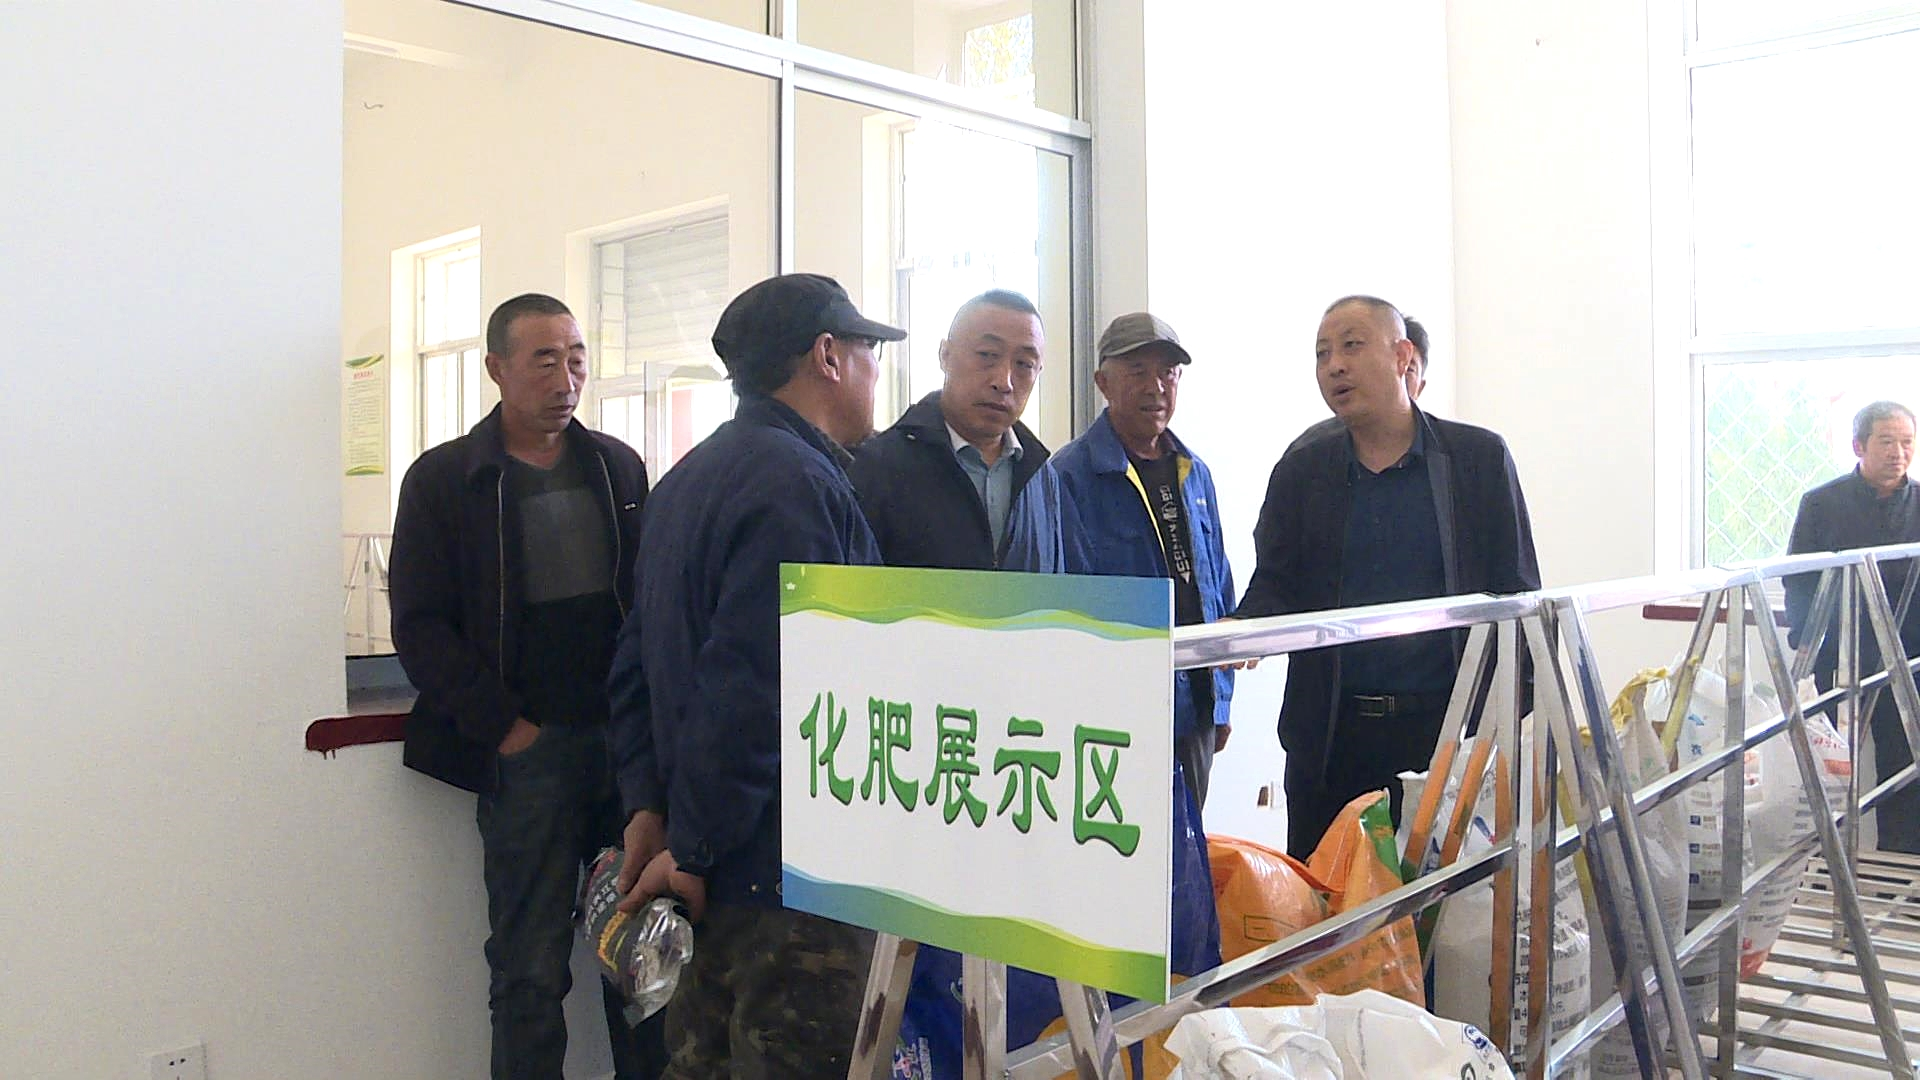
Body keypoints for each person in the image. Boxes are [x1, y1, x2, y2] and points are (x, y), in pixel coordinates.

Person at [605, 273, 903, 1076]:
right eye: (869, 351)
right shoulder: (798, 487)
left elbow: (633, 662)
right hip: (785, 884)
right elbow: (758, 685)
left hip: (703, 867)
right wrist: (696, 848)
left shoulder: (687, 479)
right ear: (828, 356)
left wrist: (650, 810)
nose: (877, 371)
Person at [389, 293, 661, 1080]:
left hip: (624, 754)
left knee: (644, 961)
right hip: (529, 756)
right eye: (544, 360)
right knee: (529, 970)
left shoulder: (617, 467)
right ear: (496, 368)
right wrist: (506, 729)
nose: (565, 378)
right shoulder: (449, 480)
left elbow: (649, 605)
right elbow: (420, 626)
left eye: (576, 359)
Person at [1235, 296, 1540, 859]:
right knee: (1329, 901)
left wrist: (1517, 726)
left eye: (1351, 346)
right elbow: (1276, 579)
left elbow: (1517, 595)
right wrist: (1243, 631)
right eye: (1322, 353)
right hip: (1333, 738)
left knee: (1447, 900)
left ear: (1403, 357)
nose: (1334, 366)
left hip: (1446, 732)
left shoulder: (1476, 460)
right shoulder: (1303, 468)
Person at [1054, 312, 1237, 808]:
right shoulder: (1069, 476)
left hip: (1195, 709)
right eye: (1137, 371)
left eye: (1167, 372)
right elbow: (1064, 605)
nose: (1155, 386)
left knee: (1188, 845)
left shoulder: (1194, 473)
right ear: (1103, 382)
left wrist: (1220, 702)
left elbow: (1217, 588)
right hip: (1116, 715)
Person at [845, 289, 1073, 572]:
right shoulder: (880, 466)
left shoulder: (1042, 476)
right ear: (945, 355)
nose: (1004, 382)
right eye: (987, 355)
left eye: (1024, 365)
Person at [1786, 400, 1920, 853]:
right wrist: (1806, 641)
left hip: (1910, 655)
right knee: (1828, 761)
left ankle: (1900, 864)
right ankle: (1823, 860)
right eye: (1887, 442)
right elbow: (1798, 578)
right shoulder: (1822, 504)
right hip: (1839, 652)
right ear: (1859, 446)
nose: (1898, 453)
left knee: (1905, 763)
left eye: (1907, 442)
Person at [1288, 315, 1430, 454]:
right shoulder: (1305, 455)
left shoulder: (1443, 447)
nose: (1335, 366)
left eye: (1409, 369)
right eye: (1322, 352)